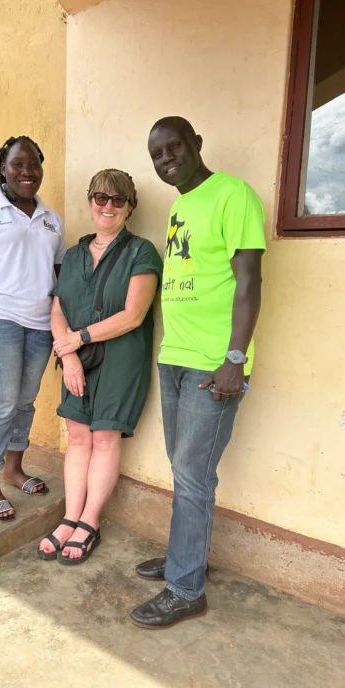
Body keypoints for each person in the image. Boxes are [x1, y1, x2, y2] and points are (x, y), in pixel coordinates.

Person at [130, 117, 266, 629]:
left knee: (192, 476)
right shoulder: (181, 205)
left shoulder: (235, 195)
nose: (167, 159)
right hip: (176, 357)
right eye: (157, 154)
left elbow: (250, 281)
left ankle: (186, 588)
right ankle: (184, 557)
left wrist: (235, 358)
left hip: (215, 366)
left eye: (174, 147)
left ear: (196, 145)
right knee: (184, 471)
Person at [38, 169, 163, 564]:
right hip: (75, 358)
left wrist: (80, 339)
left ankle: (90, 522)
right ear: (90, 200)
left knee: (105, 438)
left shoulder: (140, 252)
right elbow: (57, 309)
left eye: (118, 199)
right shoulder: (73, 255)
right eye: (101, 197)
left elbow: (133, 314)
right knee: (78, 438)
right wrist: (68, 353)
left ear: (130, 207)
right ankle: (70, 516)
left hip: (121, 358)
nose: (108, 206)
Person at [0, 136, 66, 520]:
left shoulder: (52, 219)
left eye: (34, 163)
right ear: (2, 167)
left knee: (25, 401)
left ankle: (14, 468)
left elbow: (57, 277)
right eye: (18, 164)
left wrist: (60, 328)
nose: (27, 171)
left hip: (39, 324)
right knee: (1, 401)